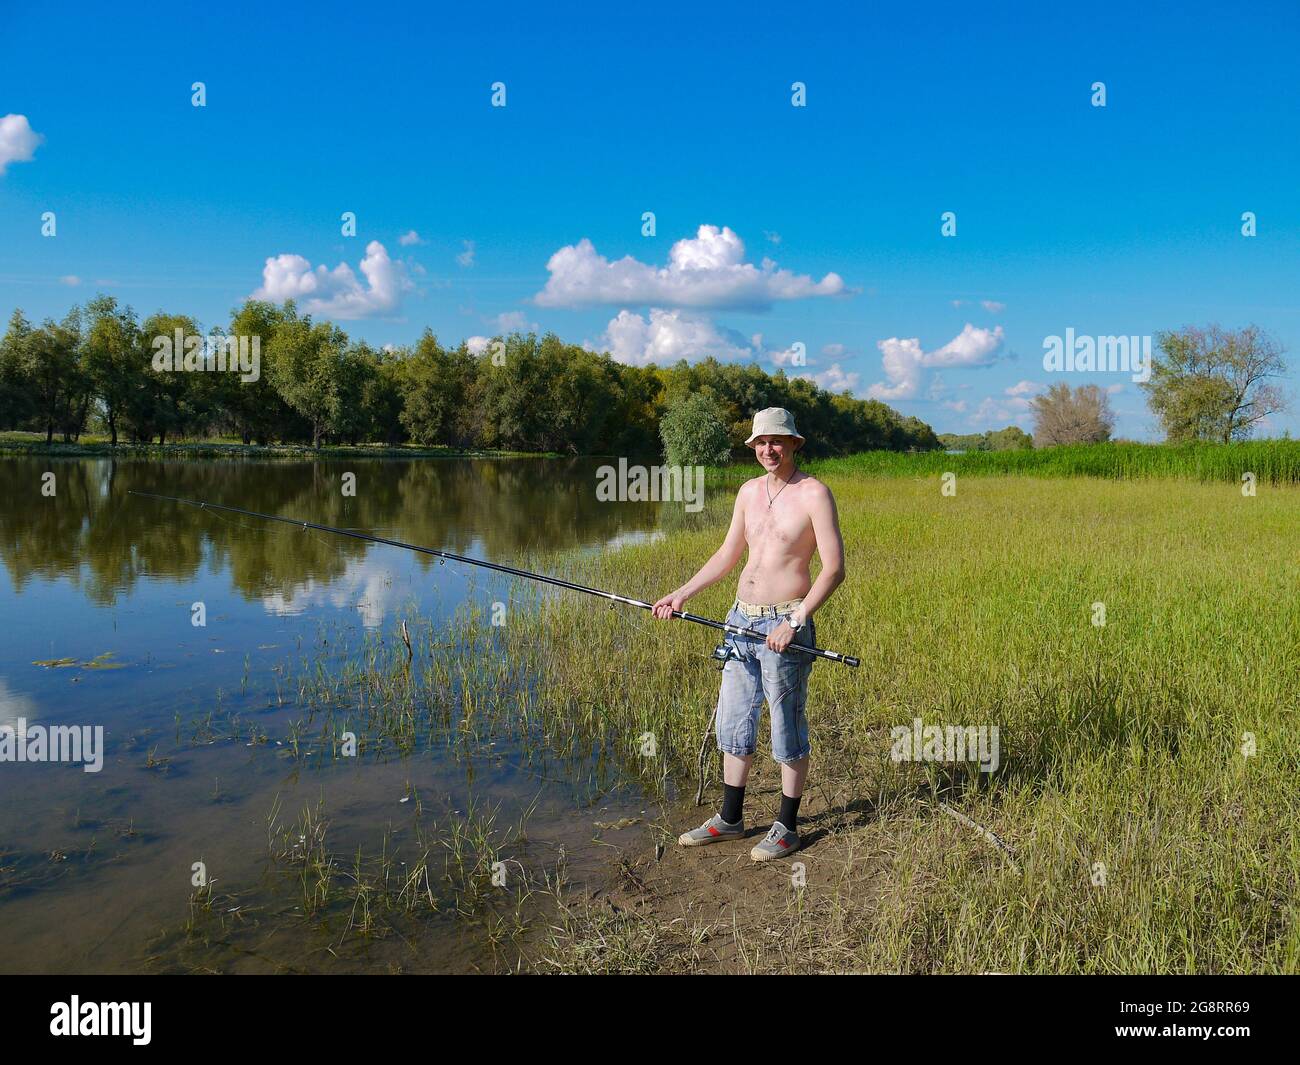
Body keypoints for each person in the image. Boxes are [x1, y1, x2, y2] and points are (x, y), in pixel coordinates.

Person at [652, 407, 845, 860]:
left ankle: (787, 826)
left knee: (786, 727)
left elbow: (834, 570)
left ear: (795, 443)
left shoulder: (814, 494)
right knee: (734, 722)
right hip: (739, 619)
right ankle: (730, 819)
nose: (768, 450)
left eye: (777, 441)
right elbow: (728, 554)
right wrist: (682, 593)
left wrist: (794, 622)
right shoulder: (747, 493)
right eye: (760, 443)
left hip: (784, 626)